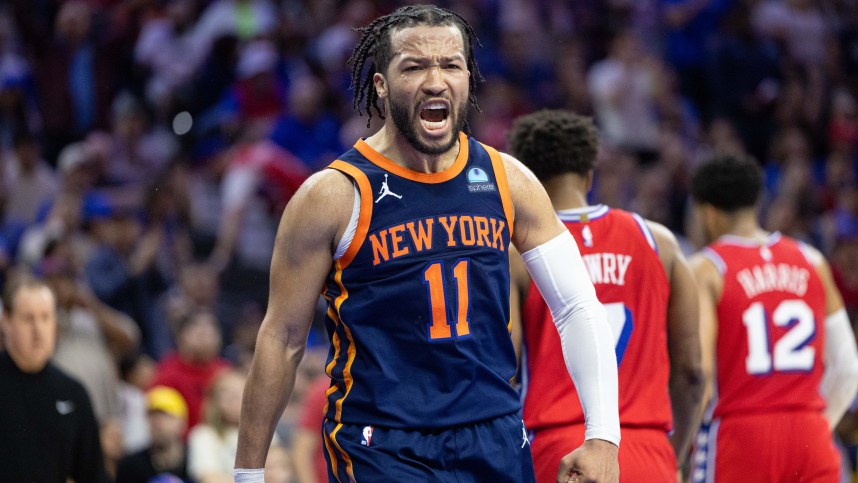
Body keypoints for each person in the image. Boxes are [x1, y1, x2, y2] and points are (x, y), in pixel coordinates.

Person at [235, 5, 620, 483]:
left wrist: (603, 436)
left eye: (451, 65)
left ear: (467, 79)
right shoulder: (333, 195)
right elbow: (283, 337)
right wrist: (247, 474)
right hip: (383, 443)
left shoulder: (507, 179)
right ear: (380, 85)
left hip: (494, 434)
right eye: (414, 66)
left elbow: (578, 306)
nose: (435, 80)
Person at [506, 110, 705, 482]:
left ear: (526, 178)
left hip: (559, 449)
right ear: (589, 175)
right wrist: (672, 457)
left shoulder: (518, 254)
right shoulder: (660, 243)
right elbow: (693, 371)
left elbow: (505, 366)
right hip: (648, 448)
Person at [688, 154, 858, 482]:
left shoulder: (707, 268)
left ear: (707, 213)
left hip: (741, 433)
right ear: (756, 201)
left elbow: (699, 374)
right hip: (809, 432)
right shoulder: (812, 260)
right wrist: (818, 423)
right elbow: (848, 367)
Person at [0, 277, 108, 482]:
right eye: (28, 318)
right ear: (6, 321)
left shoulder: (73, 392)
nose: (38, 330)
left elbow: (93, 474)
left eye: (45, 317)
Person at [116, 385, 193, 483]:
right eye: (153, 416)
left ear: (182, 423)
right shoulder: (131, 466)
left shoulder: (196, 460)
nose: (158, 423)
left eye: (166, 416)